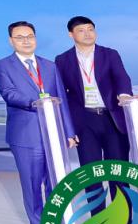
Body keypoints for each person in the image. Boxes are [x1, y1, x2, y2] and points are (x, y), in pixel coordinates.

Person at [0, 20, 77, 224]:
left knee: (56, 182)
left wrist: (69, 131)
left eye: (30, 36)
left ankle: (57, 223)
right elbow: (8, 93)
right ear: (11, 41)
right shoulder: (2, 66)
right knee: (32, 184)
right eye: (20, 37)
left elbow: (62, 99)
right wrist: (36, 102)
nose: (26, 41)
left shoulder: (50, 66)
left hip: (54, 134)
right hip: (26, 135)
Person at [54, 16, 132, 165]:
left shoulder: (110, 54)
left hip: (111, 116)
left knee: (118, 167)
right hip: (83, 120)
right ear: (71, 34)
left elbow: (121, 77)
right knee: (91, 168)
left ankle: (118, 183)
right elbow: (61, 91)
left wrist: (124, 95)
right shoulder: (62, 60)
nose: (87, 34)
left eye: (90, 29)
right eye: (81, 30)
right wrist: (67, 127)